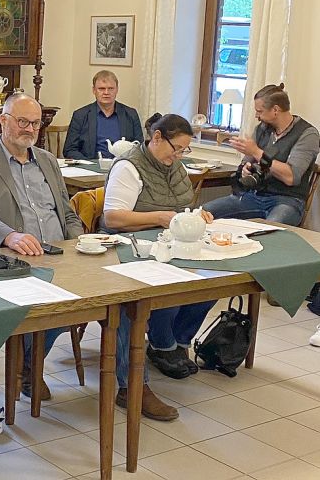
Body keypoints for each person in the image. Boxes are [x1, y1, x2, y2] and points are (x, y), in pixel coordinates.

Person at [0, 93, 84, 401]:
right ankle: (29, 366)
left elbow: (66, 212)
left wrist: (78, 243)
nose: (30, 129)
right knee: (44, 301)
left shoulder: (47, 160)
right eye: (22, 122)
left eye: (36, 123)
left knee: (87, 299)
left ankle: (29, 363)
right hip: (9, 258)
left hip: (59, 254)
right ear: (4, 121)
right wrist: (10, 236)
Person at [102, 113, 215, 421]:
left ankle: (174, 343)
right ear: (156, 138)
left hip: (167, 244)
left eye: (183, 151)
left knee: (212, 283)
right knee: (158, 291)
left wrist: (197, 216)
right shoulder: (128, 167)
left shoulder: (175, 168)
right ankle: (160, 349)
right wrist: (160, 217)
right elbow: (113, 218)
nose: (178, 156)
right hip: (131, 247)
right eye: (175, 149)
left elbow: (182, 208)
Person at [204, 84, 319, 226]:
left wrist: (256, 152)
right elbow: (248, 162)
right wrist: (245, 169)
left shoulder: (307, 134)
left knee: (269, 230)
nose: (256, 116)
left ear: (275, 110)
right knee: (205, 212)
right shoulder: (262, 129)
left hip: (287, 200)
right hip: (254, 195)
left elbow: (291, 177)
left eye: (259, 111)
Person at [64, 70, 144, 160]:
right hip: (89, 169)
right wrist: (90, 165)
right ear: (94, 90)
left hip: (122, 168)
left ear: (117, 90)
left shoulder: (131, 114)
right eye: (101, 89)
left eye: (110, 88)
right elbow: (69, 150)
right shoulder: (80, 115)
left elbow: (139, 147)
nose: (106, 92)